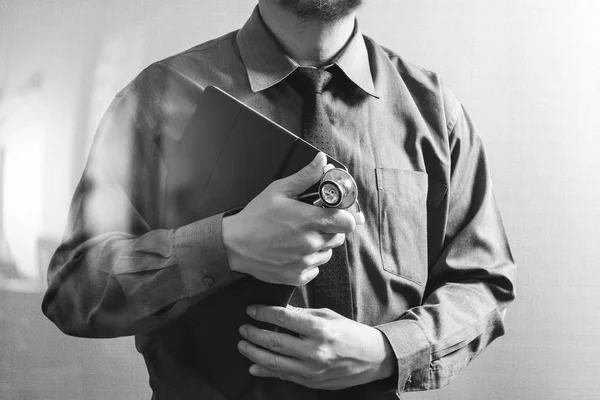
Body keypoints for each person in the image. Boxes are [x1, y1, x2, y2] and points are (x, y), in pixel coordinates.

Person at [42, 0, 516, 399]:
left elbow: (483, 282)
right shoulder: (158, 97)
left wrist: (388, 350)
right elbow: (73, 291)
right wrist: (222, 245)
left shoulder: (434, 111)